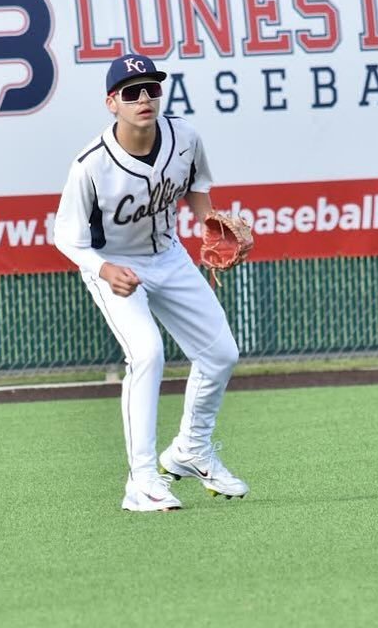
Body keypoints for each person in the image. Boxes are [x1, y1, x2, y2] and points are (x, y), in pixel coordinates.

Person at [54, 53, 248, 512]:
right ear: (112, 103)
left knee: (221, 354)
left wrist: (210, 223)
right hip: (113, 263)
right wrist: (103, 270)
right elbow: (66, 237)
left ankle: (190, 449)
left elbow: (196, 186)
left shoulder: (185, 136)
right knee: (147, 353)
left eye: (152, 88)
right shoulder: (91, 164)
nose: (144, 98)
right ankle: (141, 480)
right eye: (131, 92)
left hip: (169, 255)